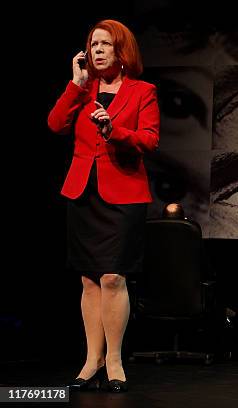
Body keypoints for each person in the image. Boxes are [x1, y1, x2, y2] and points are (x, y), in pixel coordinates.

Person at [48, 19, 160, 392]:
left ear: (121, 51)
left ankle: (114, 359)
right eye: (92, 44)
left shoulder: (143, 91)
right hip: (83, 193)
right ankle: (90, 360)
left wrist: (114, 130)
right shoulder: (82, 90)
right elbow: (55, 125)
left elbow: (149, 140)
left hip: (124, 194)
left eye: (105, 44)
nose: (96, 50)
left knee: (113, 276)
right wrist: (75, 85)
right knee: (88, 279)